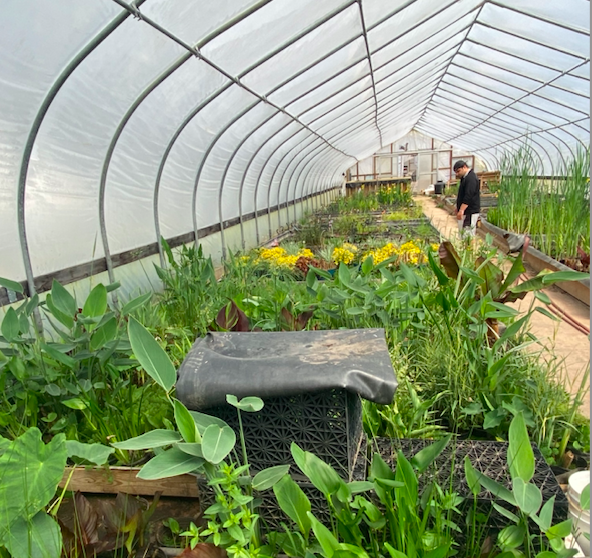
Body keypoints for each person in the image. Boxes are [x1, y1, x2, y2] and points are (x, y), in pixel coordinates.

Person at [454, 160, 480, 236]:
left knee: (468, 233)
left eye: (458, 171)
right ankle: (465, 247)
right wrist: (458, 207)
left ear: (464, 167)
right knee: (463, 233)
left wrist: (461, 210)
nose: (457, 174)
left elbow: (468, 195)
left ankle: (469, 247)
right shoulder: (465, 178)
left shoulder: (471, 178)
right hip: (466, 211)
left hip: (470, 211)